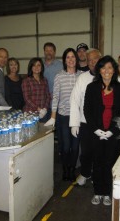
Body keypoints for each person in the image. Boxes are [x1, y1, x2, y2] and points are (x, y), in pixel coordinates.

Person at [84, 55, 120, 206]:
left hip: (112, 133)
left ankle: (107, 192)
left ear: (114, 70)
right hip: (96, 132)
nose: (106, 71)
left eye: (109, 67)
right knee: (97, 162)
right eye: (103, 67)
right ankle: (97, 192)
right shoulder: (91, 87)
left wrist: (112, 131)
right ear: (99, 70)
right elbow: (87, 110)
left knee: (109, 162)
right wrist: (96, 130)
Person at [45, 48, 82, 181]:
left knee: (75, 146)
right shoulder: (59, 76)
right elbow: (55, 97)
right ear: (64, 60)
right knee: (66, 147)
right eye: (68, 57)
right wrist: (53, 117)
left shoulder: (82, 76)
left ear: (76, 59)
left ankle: (72, 169)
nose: (71, 59)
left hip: (77, 117)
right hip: (64, 116)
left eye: (73, 57)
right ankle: (65, 169)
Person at [69, 48, 102, 186]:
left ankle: (98, 175)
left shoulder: (110, 75)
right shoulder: (82, 78)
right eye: (89, 60)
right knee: (86, 152)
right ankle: (85, 173)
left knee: (100, 152)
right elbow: (74, 100)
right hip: (85, 122)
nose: (93, 62)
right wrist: (74, 123)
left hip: (103, 123)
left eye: (95, 59)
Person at [22, 57, 51, 122]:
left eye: (38, 65)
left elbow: (48, 96)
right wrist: (39, 109)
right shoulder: (26, 80)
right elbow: (27, 98)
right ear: (31, 67)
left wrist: (45, 109)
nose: (36, 67)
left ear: (41, 67)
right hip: (30, 114)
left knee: (43, 132)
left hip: (43, 114)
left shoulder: (44, 80)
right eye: (34, 65)